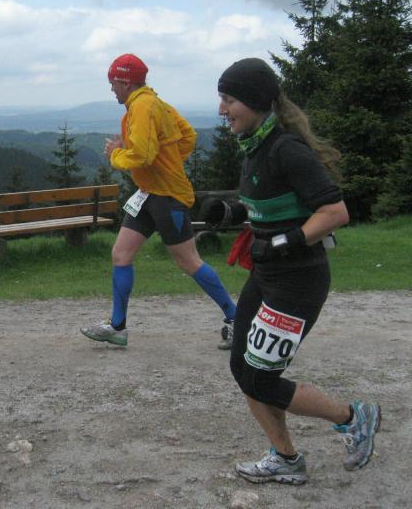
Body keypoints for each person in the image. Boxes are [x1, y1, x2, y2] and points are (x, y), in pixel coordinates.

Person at [214, 57, 380, 484]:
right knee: (243, 369)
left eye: (229, 99)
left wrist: (284, 242)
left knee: (263, 379)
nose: (221, 109)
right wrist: (234, 212)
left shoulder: (286, 148)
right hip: (267, 275)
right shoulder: (254, 145)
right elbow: (274, 204)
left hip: (299, 280)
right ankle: (285, 458)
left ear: (254, 101)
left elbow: (335, 212)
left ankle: (353, 417)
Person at [80, 53, 238, 349]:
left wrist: (116, 154)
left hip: (167, 197)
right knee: (121, 254)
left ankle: (236, 317)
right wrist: (168, 160)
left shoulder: (143, 106)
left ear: (125, 82)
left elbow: (142, 155)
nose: (111, 88)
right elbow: (188, 136)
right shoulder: (156, 103)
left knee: (188, 260)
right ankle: (117, 327)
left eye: (113, 82)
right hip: (148, 194)